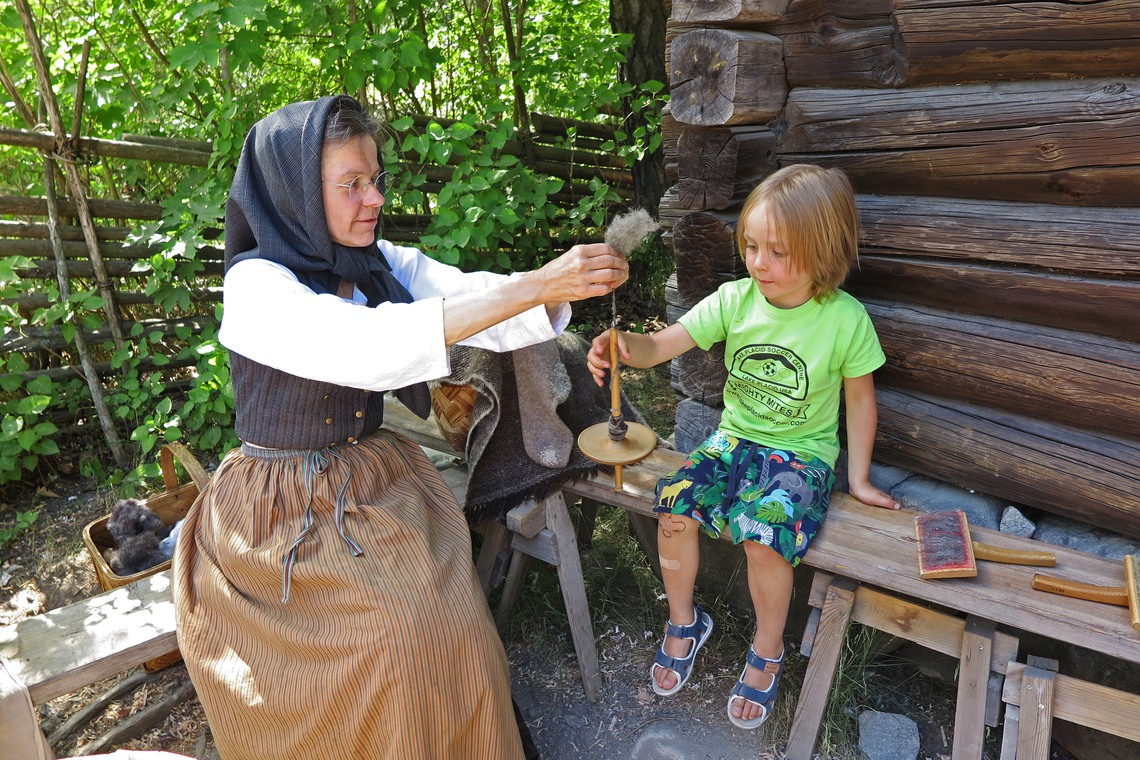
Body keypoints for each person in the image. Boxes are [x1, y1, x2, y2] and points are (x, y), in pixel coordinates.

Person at [172, 94, 628, 760]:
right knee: (390, 642)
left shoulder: (376, 263)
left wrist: (558, 285)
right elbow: (368, 345)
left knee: (457, 620)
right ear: (296, 194)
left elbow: (470, 296)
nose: (375, 198)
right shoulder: (257, 287)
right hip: (277, 511)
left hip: (365, 480)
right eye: (351, 184)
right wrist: (535, 285)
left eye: (375, 178)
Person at [586, 164, 900, 730]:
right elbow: (658, 346)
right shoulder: (735, 300)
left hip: (801, 457)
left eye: (777, 252)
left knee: (762, 536)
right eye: (752, 246)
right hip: (733, 442)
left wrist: (857, 479)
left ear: (823, 252)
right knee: (674, 505)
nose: (758, 263)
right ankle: (684, 622)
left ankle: (768, 648)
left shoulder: (845, 321)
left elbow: (860, 402)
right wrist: (619, 344)